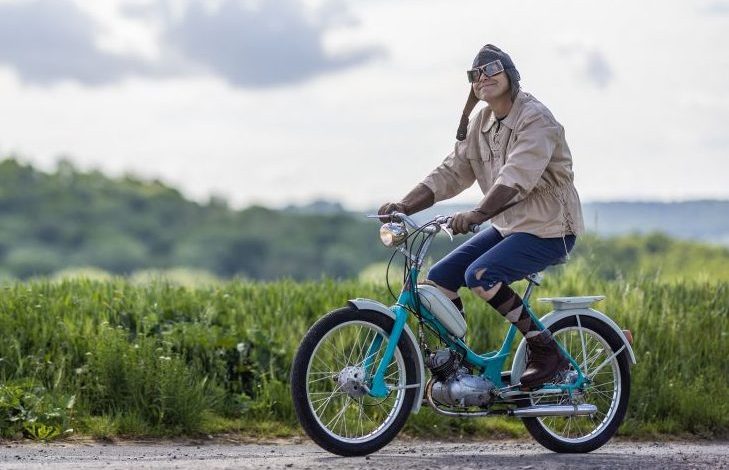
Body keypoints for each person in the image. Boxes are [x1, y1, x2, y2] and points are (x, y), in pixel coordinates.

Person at [378, 44, 585, 389]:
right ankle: (460, 366)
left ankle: (546, 352)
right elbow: (451, 171)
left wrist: (477, 214)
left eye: (491, 69)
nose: (483, 77)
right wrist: (404, 206)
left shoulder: (535, 118)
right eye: (475, 74)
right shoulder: (481, 122)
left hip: (550, 227)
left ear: (511, 75)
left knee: (481, 275)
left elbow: (516, 177)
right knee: (440, 279)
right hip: (508, 226)